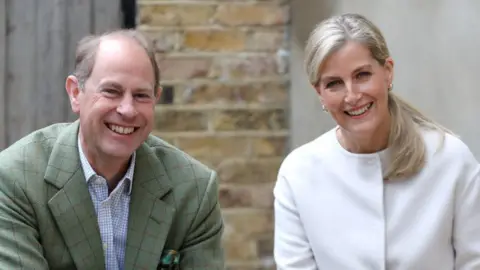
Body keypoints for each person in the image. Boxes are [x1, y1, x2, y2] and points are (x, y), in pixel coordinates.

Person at [0, 30, 224, 270]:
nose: (127, 109)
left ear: (155, 99)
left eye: (141, 95)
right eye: (111, 91)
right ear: (76, 93)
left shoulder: (194, 190)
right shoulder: (16, 179)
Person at [273, 13, 480, 269]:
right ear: (320, 93)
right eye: (334, 83)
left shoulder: (451, 160)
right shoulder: (297, 174)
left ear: (388, 72)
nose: (352, 95)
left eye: (362, 75)